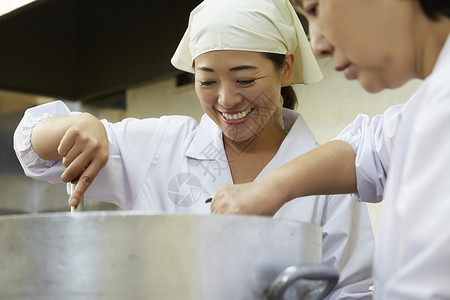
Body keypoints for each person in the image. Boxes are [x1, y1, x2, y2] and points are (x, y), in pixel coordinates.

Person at [13, 0, 375, 298]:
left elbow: (351, 290)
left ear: (285, 69)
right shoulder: (160, 146)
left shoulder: (329, 176)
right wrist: (78, 125)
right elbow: (29, 145)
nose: (226, 99)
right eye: (207, 81)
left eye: (245, 79)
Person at [211, 0, 450, 299]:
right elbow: (370, 148)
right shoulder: (432, 102)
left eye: (314, 9)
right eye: (207, 80)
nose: (318, 44)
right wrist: (270, 187)